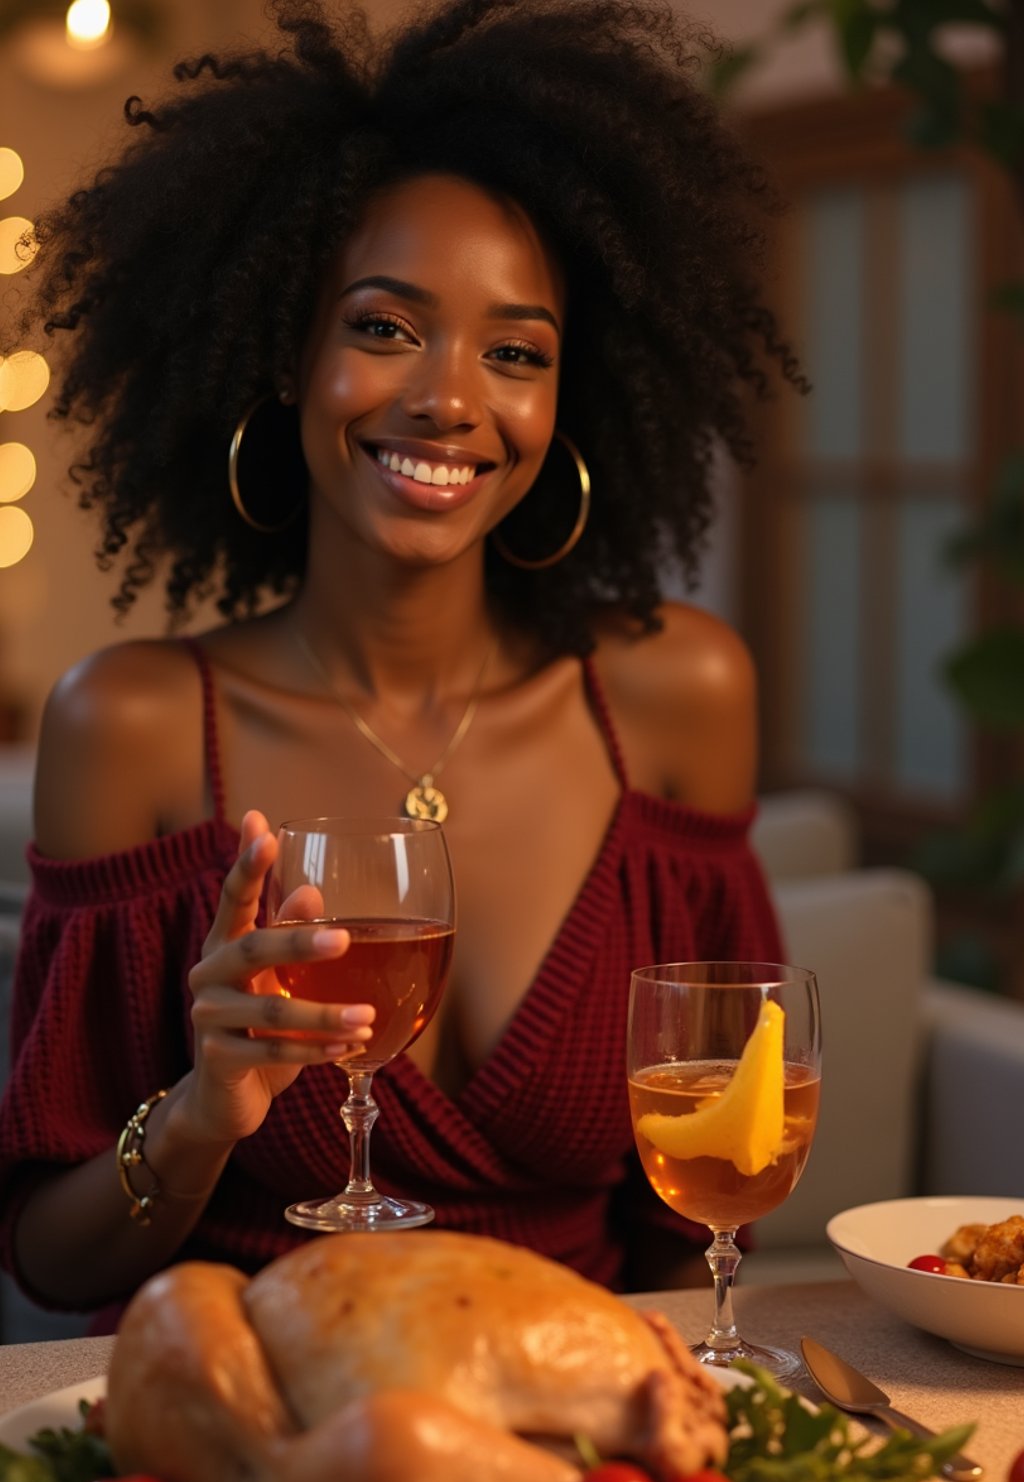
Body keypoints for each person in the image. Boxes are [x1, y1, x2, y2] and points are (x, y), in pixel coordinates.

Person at [0, 0, 801, 1327]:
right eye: (384, 326)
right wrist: (202, 1116)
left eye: (517, 353)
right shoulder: (136, 725)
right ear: (282, 351)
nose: (450, 397)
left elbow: (703, 1199)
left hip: (575, 1456)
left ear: (570, 404)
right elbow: (47, 1257)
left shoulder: (677, 697)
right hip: (265, 1448)